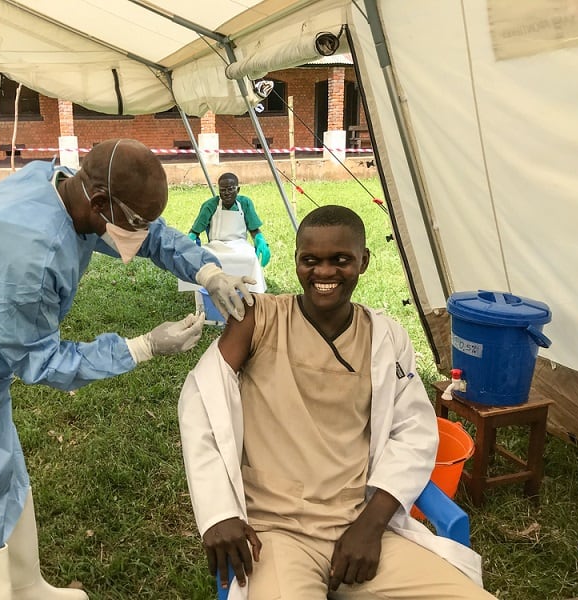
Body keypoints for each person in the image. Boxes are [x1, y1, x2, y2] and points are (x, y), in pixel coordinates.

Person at [0, 138, 255, 600]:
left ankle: (29, 586)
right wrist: (142, 346)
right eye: (134, 221)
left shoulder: (63, 186)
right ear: (101, 203)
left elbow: (151, 231)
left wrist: (206, 271)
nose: (142, 232)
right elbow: (41, 360)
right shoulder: (30, 254)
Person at [178, 205, 497, 599]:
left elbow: (414, 432)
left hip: (357, 525)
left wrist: (371, 525)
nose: (324, 273)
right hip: (275, 534)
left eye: (340, 260)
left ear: (364, 261)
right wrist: (218, 512)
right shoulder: (258, 319)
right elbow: (200, 398)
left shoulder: (386, 337)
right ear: (295, 262)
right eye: (310, 260)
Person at [184, 172, 269, 294]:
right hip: (216, 245)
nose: (227, 193)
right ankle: (206, 294)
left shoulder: (245, 203)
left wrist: (260, 240)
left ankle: (253, 293)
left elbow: (254, 229)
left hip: (240, 245)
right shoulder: (210, 205)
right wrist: (190, 240)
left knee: (251, 258)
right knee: (203, 260)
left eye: (230, 189)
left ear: (238, 189)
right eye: (223, 190)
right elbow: (195, 230)